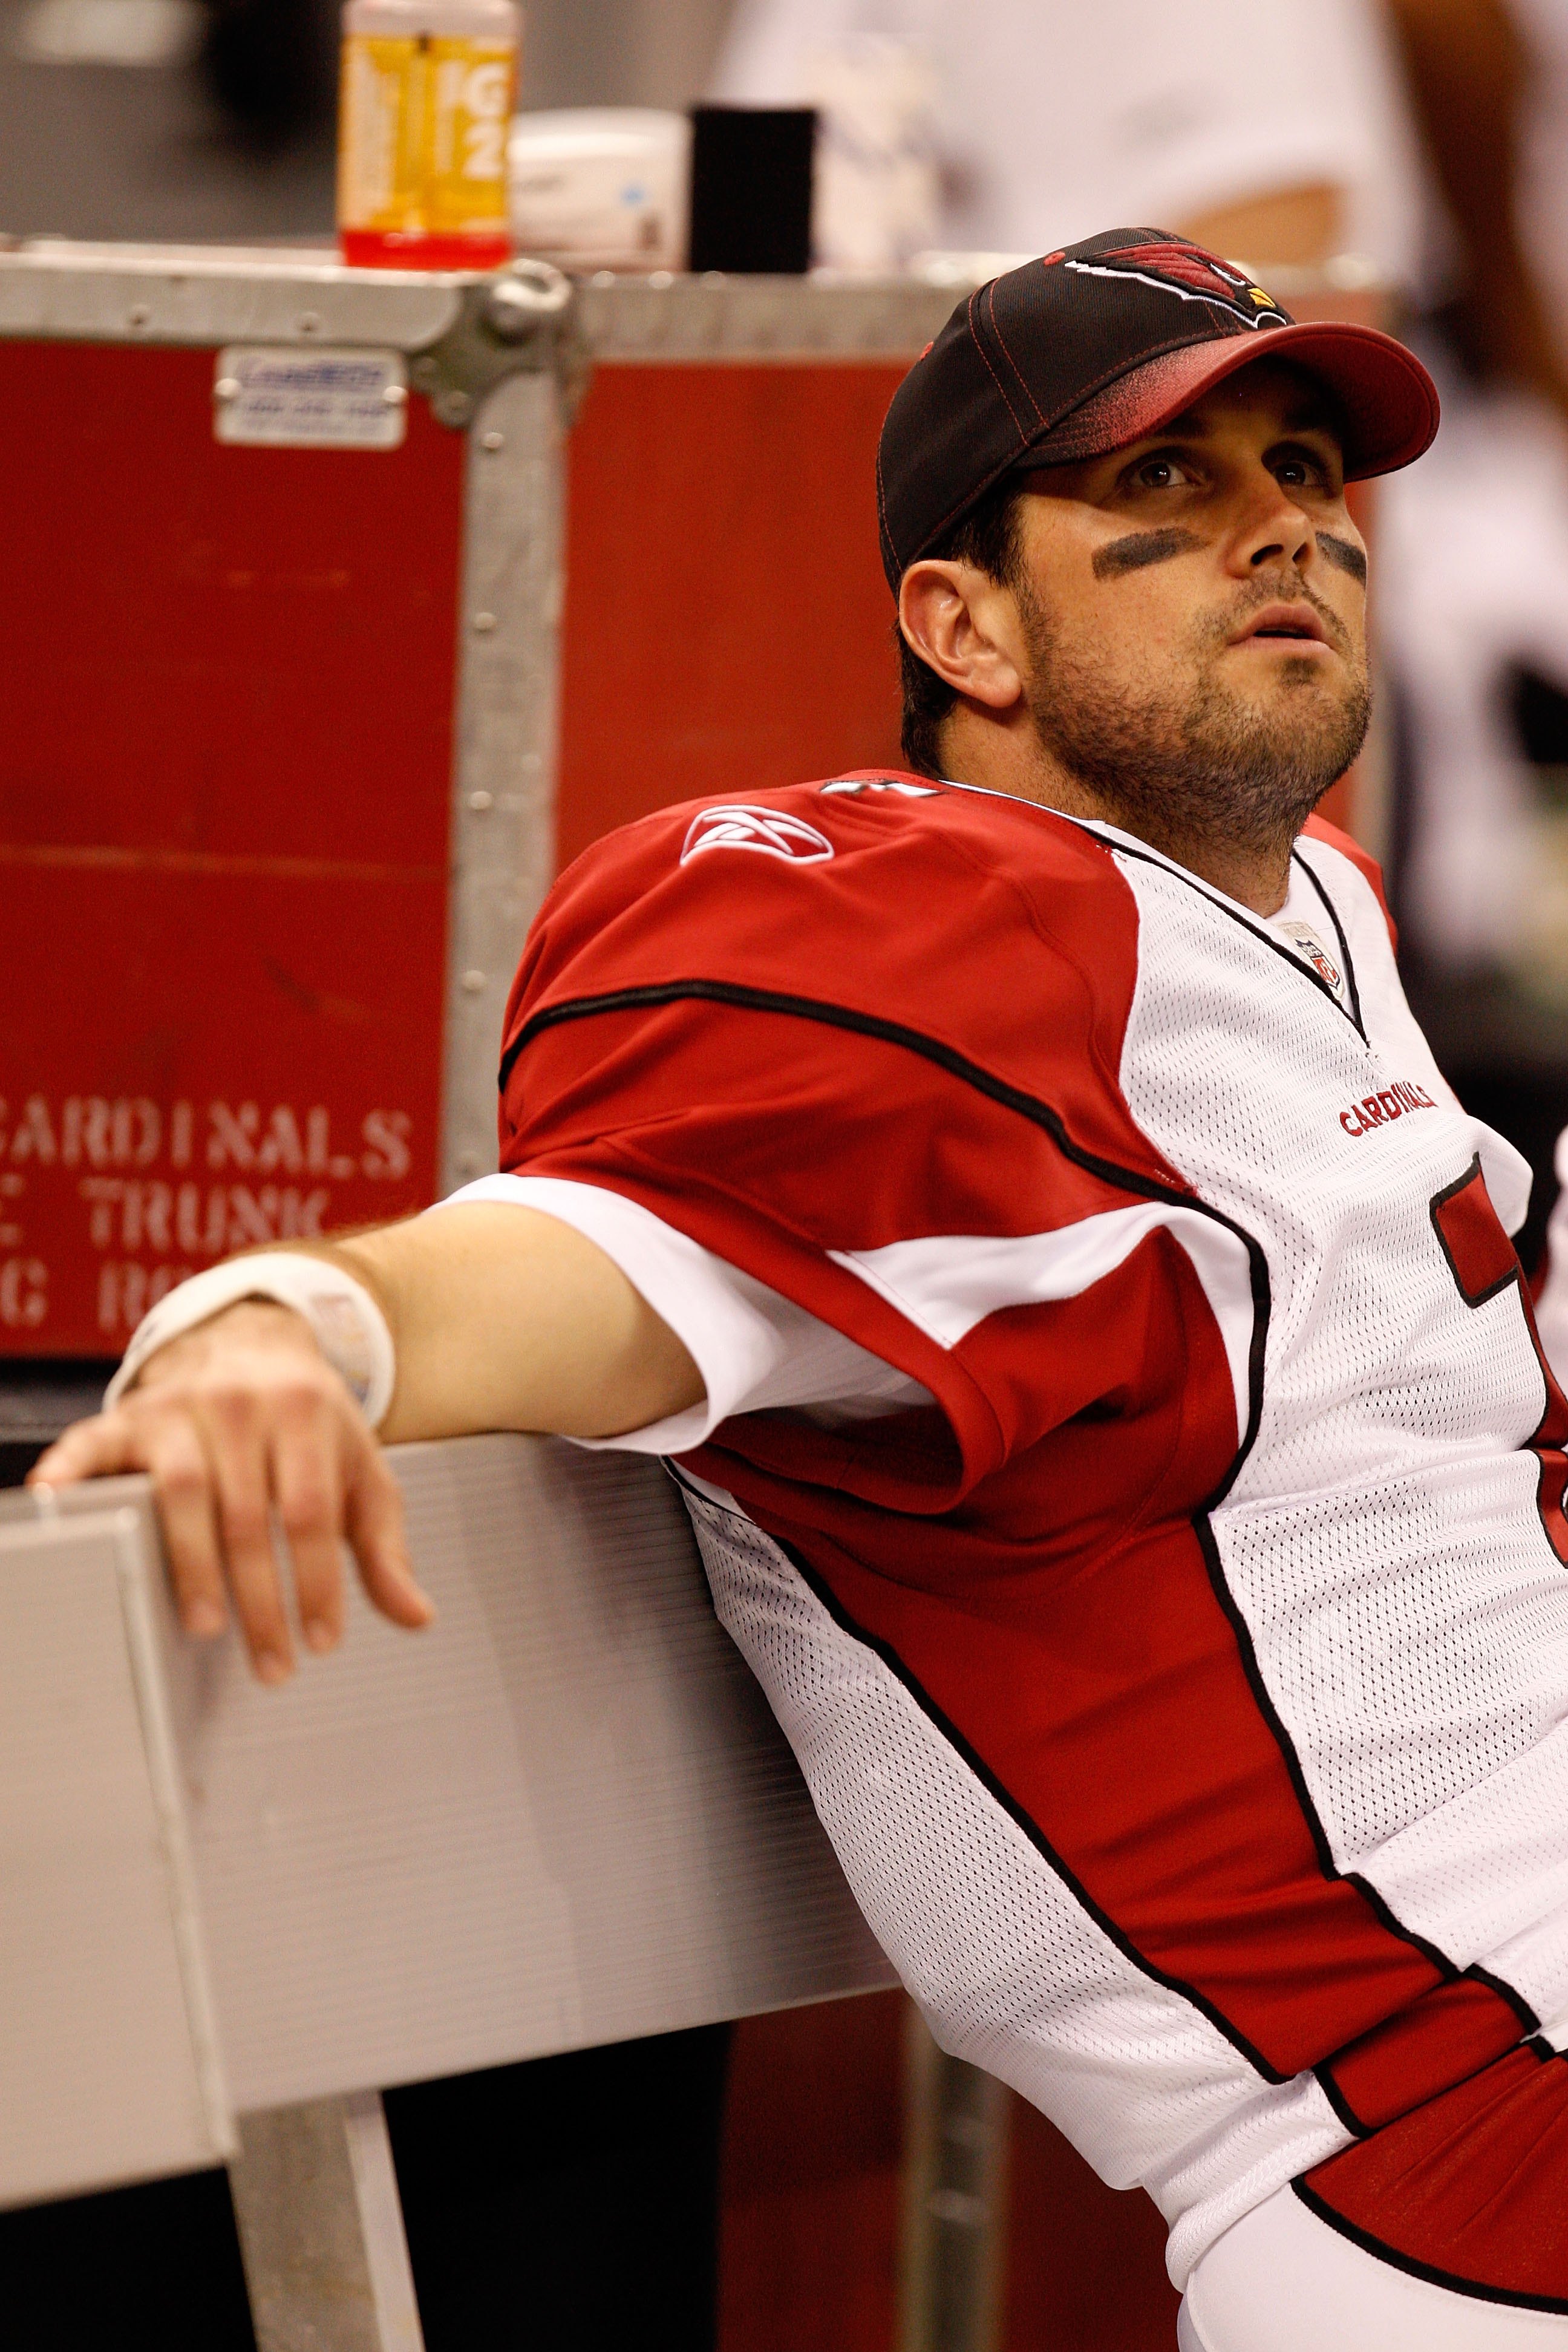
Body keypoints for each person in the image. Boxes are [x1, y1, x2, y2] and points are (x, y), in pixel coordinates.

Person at [33, 228, 1568, 2345]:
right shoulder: (908, 920)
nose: (1283, 528)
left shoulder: (1313, 908)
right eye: (1164, 490)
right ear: (962, 624)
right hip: (1458, 2122)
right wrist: (297, 1330)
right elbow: (603, 1247)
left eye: (1308, 473)